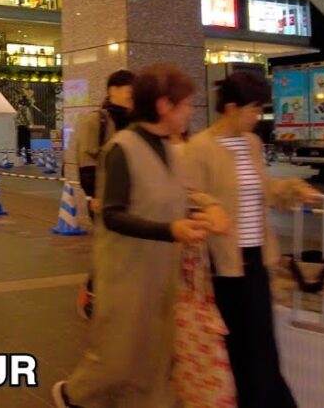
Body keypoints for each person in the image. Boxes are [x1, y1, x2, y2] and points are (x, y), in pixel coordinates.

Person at [53, 64, 228, 408]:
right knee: (116, 357)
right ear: (164, 105)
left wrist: (205, 210)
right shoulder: (122, 148)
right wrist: (171, 230)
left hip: (162, 273)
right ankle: (73, 396)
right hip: (125, 273)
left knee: (157, 356)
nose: (191, 111)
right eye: (186, 104)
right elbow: (114, 215)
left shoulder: (169, 148)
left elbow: (177, 195)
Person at [185, 72, 317, 408]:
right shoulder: (200, 147)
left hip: (257, 256)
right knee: (241, 345)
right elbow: (187, 195)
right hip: (224, 262)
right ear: (231, 107)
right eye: (253, 109)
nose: (257, 117)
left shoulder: (252, 144)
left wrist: (293, 189)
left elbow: (263, 188)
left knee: (261, 343)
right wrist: (210, 206)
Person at [73, 69, 136, 320]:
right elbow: (86, 160)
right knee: (109, 249)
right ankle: (91, 292)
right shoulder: (97, 120)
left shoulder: (134, 121)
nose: (133, 97)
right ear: (113, 90)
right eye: (129, 92)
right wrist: (92, 196)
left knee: (124, 249)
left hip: (129, 196)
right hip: (102, 198)